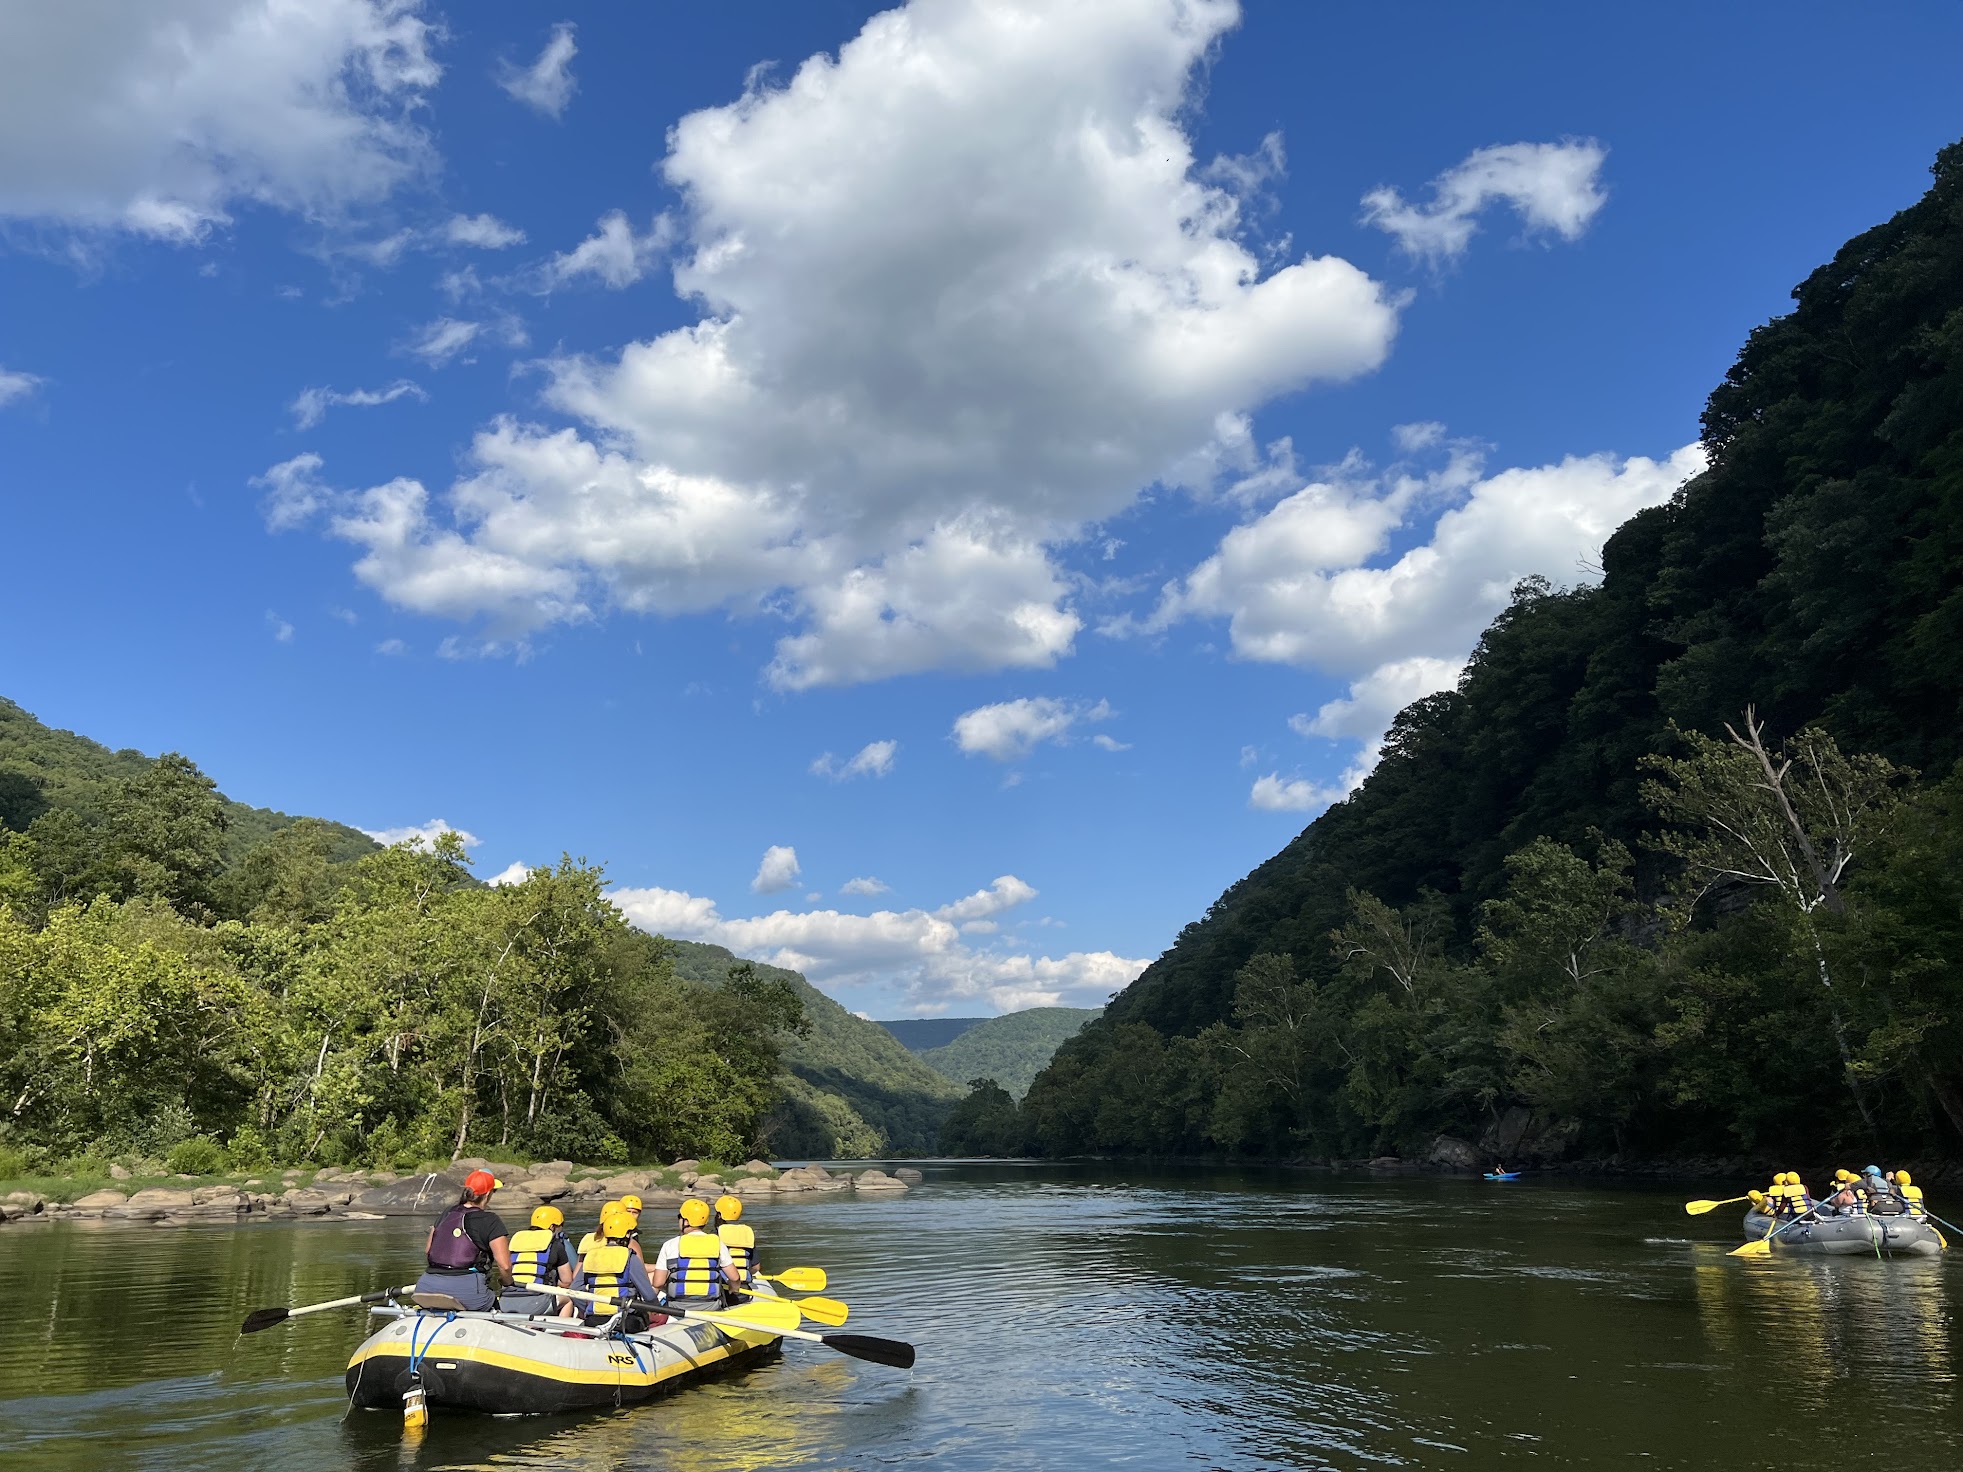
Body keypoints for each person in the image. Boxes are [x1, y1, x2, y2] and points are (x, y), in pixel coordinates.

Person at [415, 1169, 513, 1313]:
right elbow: (504, 1266)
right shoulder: (490, 1220)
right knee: (496, 1305)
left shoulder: (447, 1213)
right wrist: (508, 1284)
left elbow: (428, 1250)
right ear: (487, 1194)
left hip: (426, 1287)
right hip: (469, 1294)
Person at [574, 1201, 659, 1330]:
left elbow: (575, 1289)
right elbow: (649, 1296)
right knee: (656, 1319)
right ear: (626, 1234)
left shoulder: (590, 1256)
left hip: (593, 1321)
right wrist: (657, 1309)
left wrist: (587, 1309)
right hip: (625, 1321)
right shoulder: (630, 1257)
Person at [651, 1198, 739, 1308]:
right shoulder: (717, 1243)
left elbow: (658, 1283)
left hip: (677, 1308)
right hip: (711, 1307)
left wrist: (650, 1305)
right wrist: (733, 1288)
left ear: (686, 1221)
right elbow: (734, 1278)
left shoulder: (670, 1245)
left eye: (680, 1217)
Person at [500, 1205, 576, 1316]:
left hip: (505, 1302)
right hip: (536, 1303)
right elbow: (567, 1281)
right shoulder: (556, 1244)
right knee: (568, 1300)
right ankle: (558, 1331)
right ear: (552, 1227)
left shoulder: (515, 1242)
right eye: (560, 1226)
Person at [712, 1193, 757, 1288]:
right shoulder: (747, 1233)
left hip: (724, 1288)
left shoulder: (715, 1234)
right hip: (744, 1289)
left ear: (719, 1215)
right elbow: (756, 1267)